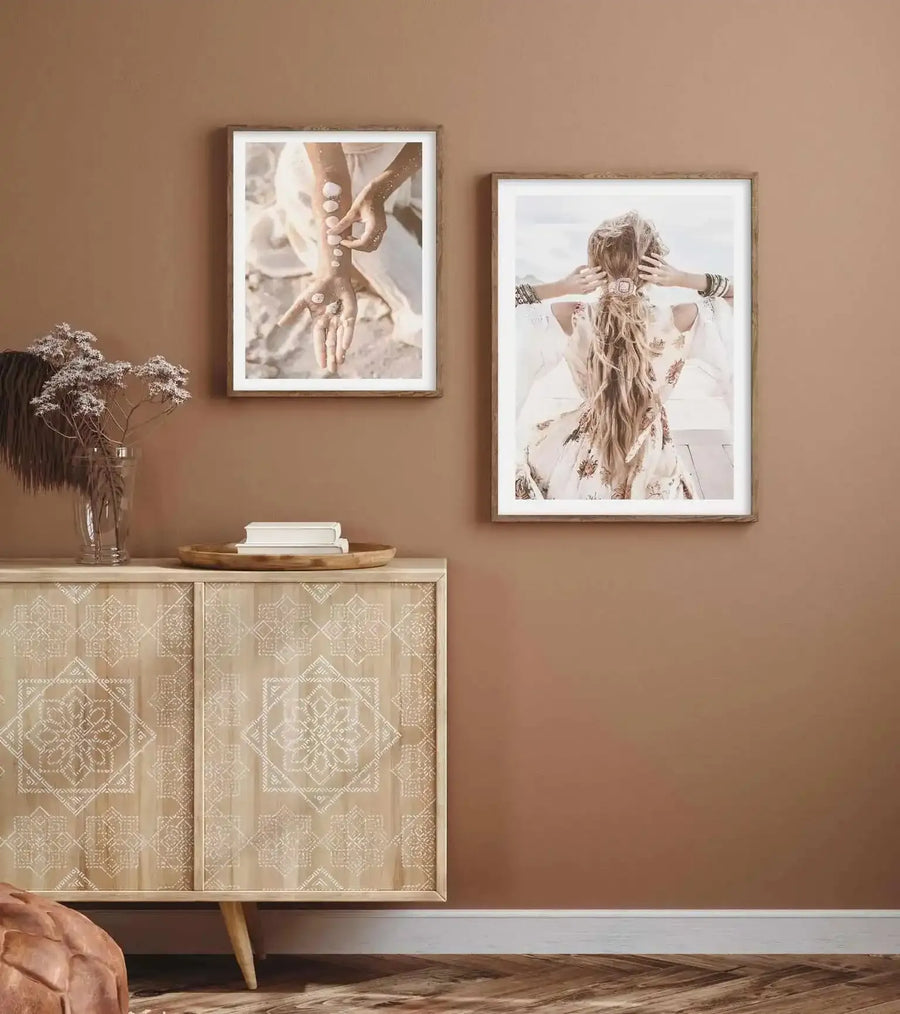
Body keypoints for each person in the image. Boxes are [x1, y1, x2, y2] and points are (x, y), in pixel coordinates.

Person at [514, 211, 733, 500]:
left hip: (585, 452)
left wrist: (562, 286)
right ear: (654, 268)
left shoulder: (574, 315)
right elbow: (741, 296)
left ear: (595, 268)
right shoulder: (680, 318)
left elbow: (503, 301)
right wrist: (682, 278)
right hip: (652, 453)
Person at [275, 141, 423, 373]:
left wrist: (380, 189)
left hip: (403, 166)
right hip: (335, 194)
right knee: (429, 304)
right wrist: (335, 269)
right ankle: (358, 274)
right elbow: (331, 176)